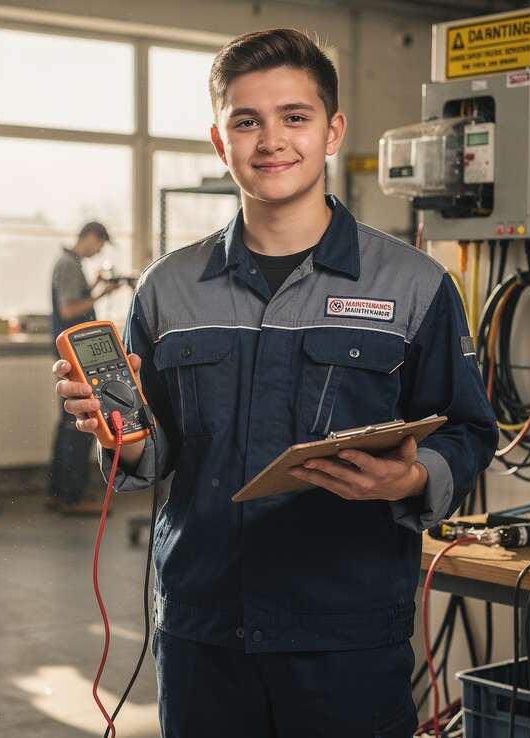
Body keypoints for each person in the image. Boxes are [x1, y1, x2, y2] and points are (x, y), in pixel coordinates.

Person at [54, 29, 495, 737]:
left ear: (332, 131)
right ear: (218, 139)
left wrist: (411, 481)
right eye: (246, 121)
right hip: (203, 631)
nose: (271, 141)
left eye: (295, 117)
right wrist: (117, 434)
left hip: (345, 635)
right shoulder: (169, 289)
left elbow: (469, 430)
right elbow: (157, 452)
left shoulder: (413, 285)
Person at [49, 221, 118, 516]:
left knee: (69, 423)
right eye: (100, 245)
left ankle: (60, 492)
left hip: (72, 352)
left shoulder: (71, 264)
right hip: (73, 353)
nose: (98, 250)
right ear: (91, 237)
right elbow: (68, 310)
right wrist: (101, 295)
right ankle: (72, 496)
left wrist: (95, 286)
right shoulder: (68, 264)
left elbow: (75, 299)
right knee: (79, 424)